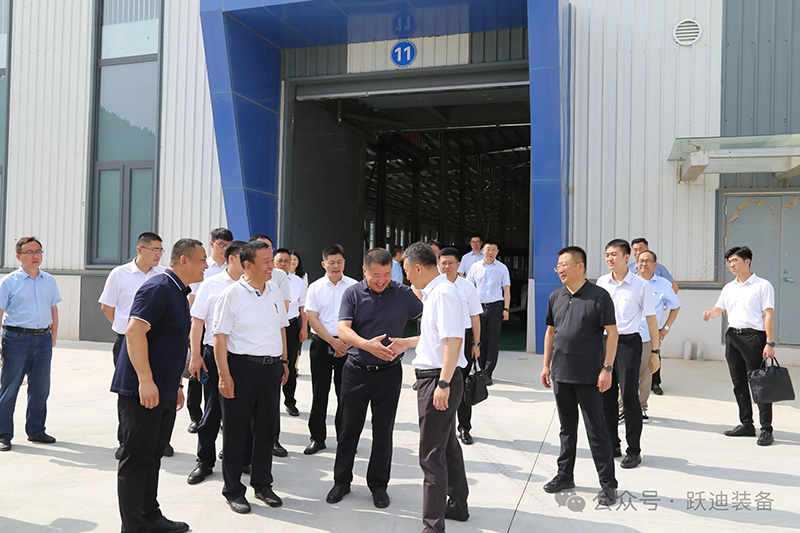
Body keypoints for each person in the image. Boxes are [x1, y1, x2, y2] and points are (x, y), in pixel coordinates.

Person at [111, 238, 206, 533]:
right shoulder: (158, 288)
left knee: (153, 455)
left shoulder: (179, 292)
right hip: (142, 390)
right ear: (184, 260)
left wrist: (176, 385)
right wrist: (145, 380)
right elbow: (134, 332)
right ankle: (133, 527)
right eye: (202, 260)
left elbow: (170, 343)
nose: (206, 265)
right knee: (137, 459)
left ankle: (149, 516)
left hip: (163, 389)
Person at [327, 248, 423, 508]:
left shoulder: (403, 293)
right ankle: (341, 481)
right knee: (348, 428)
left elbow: (430, 322)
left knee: (383, 431)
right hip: (356, 371)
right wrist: (365, 344)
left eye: (387, 274)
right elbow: (342, 329)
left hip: (389, 374)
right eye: (376, 275)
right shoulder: (353, 293)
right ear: (364, 271)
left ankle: (379, 486)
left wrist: (410, 342)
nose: (382, 280)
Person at [389, 242, 469, 532]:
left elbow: (454, 340)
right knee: (447, 446)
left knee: (431, 455)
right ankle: (458, 504)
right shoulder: (436, 293)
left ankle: (433, 526)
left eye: (407, 271)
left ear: (419, 268)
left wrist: (443, 383)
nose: (407, 277)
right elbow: (435, 338)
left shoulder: (442, 294)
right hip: (437, 376)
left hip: (438, 379)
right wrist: (407, 343)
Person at [213, 240, 290, 513]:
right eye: (267, 261)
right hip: (241, 368)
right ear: (248, 265)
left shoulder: (274, 290)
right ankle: (233, 490)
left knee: (267, 429)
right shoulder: (231, 295)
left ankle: (262, 484)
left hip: (271, 369)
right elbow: (219, 338)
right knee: (236, 431)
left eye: (272, 259)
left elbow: (281, 327)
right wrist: (224, 376)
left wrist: (284, 361)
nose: (273, 266)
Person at [540, 246, 618, 506]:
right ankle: (565, 474)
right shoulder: (556, 296)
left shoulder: (599, 296)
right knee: (566, 429)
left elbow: (612, 333)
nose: (560, 270)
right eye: (558, 266)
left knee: (597, 431)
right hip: (561, 374)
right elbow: (551, 332)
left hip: (589, 377)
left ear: (580, 266)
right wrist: (546, 366)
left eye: (564, 264)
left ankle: (608, 484)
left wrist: (607, 368)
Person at [98, 232, 166, 458]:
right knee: (128, 391)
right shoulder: (120, 274)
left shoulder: (163, 275)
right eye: (154, 249)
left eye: (160, 250)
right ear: (140, 250)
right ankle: (125, 440)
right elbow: (107, 307)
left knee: (157, 387)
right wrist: (125, 328)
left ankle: (159, 439)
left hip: (156, 342)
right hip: (127, 341)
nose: (158, 254)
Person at [702, 246, 776, 446]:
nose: (731, 265)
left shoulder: (762, 285)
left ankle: (766, 429)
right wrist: (710, 313)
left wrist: (769, 342)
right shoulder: (729, 288)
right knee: (738, 383)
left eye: (735, 260)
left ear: (747, 261)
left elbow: (768, 314)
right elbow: (719, 308)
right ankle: (746, 424)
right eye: (729, 262)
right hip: (733, 337)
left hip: (754, 338)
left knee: (759, 384)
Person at [186, 241, 246, 485]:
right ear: (231, 259)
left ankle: (243, 459)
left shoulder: (254, 286)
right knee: (212, 410)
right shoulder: (210, 284)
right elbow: (197, 322)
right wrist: (196, 355)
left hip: (244, 357)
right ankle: (205, 461)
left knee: (244, 413)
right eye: (244, 259)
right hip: (213, 354)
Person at [596, 239, 659, 469]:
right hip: (605, 342)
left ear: (626, 257)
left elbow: (651, 319)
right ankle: (612, 444)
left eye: (614, 254)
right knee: (606, 395)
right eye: (607, 255)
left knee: (630, 397)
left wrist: (655, 351)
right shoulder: (602, 283)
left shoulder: (641, 285)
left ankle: (634, 450)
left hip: (629, 344)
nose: (609, 259)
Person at [0, 237, 61, 452]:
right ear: (19, 257)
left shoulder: (49, 280)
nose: (35, 256)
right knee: (9, 389)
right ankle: (3, 434)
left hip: (42, 339)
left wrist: (53, 336)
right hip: (16, 339)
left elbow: (53, 308)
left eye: (38, 251)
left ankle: (36, 430)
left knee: (41, 388)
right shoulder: (9, 282)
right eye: (29, 252)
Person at [304, 244, 358, 455]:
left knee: (346, 394)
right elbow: (312, 319)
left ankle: (345, 439)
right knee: (320, 392)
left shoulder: (354, 286)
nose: (336, 266)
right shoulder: (315, 287)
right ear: (323, 264)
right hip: (321, 344)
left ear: (344, 263)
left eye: (340, 262)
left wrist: (344, 342)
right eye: (332, 262)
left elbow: (359, 317)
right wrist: (332, 342)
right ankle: (317, 438)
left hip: (348, 345)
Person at [186, 228, 234, 432]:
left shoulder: (236, 269)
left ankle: (219, 418)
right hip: (202, 324)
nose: (224, 248)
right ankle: (196, 416)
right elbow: (192, 297)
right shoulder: (205, 268)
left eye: (227, 245)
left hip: (225, 333)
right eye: (221, 244)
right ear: (212, 244)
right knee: (198, 374)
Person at [438, 247, 482, 445]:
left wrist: (476, 343)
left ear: (458, 264)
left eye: (450, 263)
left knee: (463, 386)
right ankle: (444, 429)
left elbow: (475, 317)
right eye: (443, 263)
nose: (447, 267)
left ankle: (464, 427)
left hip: (463, 338)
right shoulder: (433, 286)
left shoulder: (467, 287)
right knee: (441, 383)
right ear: (438, 264)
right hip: (441, 340)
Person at [635, 250, 680, 418]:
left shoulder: (663, 284)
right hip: (626, 335)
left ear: (655, 265)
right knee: (624, 373)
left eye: (648, 261)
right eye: (641, 261)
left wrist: (666, 328)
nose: (644, 264)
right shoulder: (629, 282)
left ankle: (641, 407)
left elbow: (675, 306)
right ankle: (622, 407)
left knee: (646, 374)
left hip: (649, 337)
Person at [465, 239, 510, 385]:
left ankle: (488, 372)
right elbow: (469, 288)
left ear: (497, 252)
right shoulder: (475, 267)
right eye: (488, 249)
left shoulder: (502, 268)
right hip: (478, 307)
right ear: (483, 251)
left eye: (493, 250)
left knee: (493, 340)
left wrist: (506, 309)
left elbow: (506, 289)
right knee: (479, 339)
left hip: (496, 307)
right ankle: (479, 369)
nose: (490, 252)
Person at [274, 248, 308, 417]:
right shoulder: (267, 280)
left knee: (290, 365)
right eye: (279, 260)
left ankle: (290, 402)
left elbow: (303, 307)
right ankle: (271, 403)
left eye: (286, 261)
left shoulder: (297, 281)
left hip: (291, 326)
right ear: (273, 262)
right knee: (272, 365)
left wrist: (304, 328)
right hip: (271, 328)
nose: (283, 264)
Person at [289, 250, 308, 375]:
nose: (292, 262)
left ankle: (295, 366)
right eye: (290, 259)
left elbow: (304, 294)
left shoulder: (302, 276)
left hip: (298, 312)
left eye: (295, 259)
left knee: (297, 342)